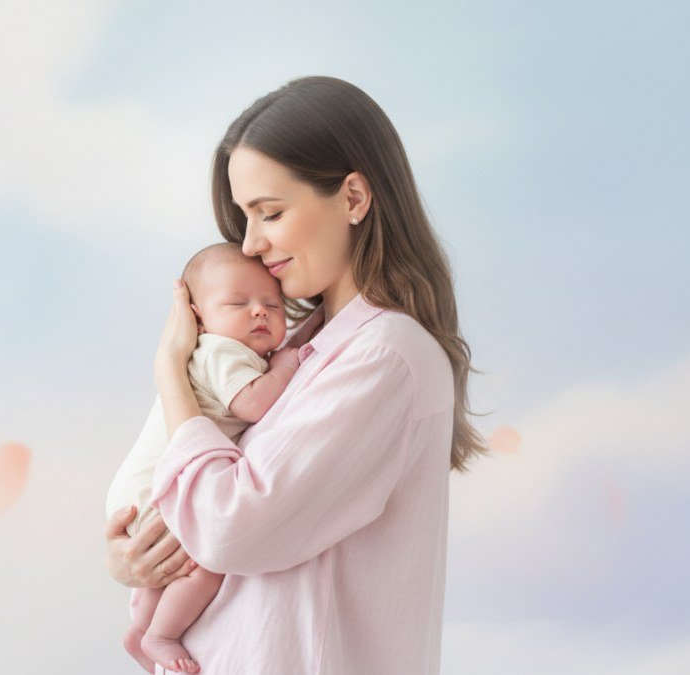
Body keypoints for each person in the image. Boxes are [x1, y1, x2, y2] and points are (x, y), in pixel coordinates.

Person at [103, 75, 487, 674]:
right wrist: (138, 559)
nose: (251, 245)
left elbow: (230, 526)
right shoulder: (303, 347)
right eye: (245, 218)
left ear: (354, 198)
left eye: (270, 213)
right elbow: (208, 524)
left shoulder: (384, 358)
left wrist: (172, 377)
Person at [107, 243, 302, 673]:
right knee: (208, 563)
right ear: (197, 318)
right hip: (158, 487)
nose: (260, 312)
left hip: (142, 487)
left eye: (272, 303)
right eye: (239, 303)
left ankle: (140, 630)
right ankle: (162, 635)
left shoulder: (220, 354)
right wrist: (286, 366)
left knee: (171, 567)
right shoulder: (220, 352)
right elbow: (252, 404)